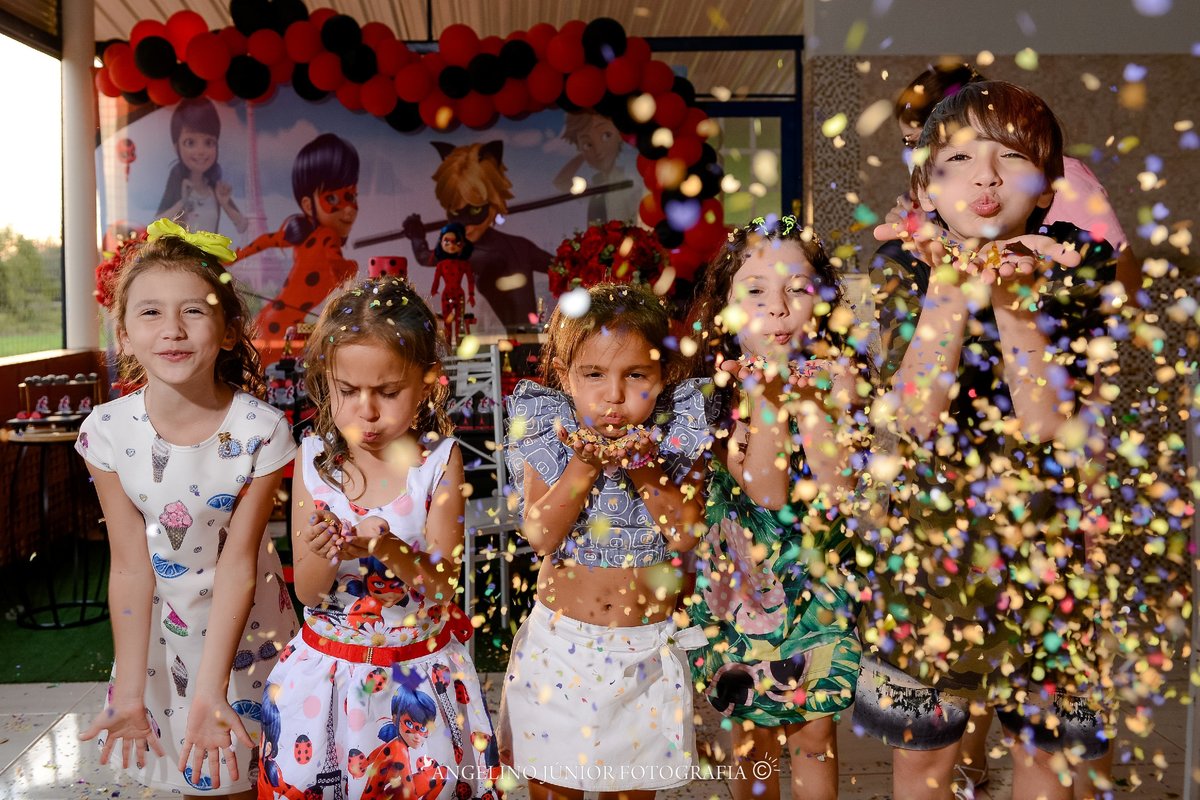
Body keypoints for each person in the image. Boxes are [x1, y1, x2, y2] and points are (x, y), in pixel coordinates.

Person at [857, 81, 1117, 800]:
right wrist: (950, 282)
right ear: (925, 186)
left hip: (1045, 544)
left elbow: (1045, 423)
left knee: (1045, 747)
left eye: (1012, 158)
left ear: (1047, 190)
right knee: (926, 752)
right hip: (932, 547)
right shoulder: (902, 265)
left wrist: (1012, 297)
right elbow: (915, 416)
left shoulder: (1074, 266)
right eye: (961, 159)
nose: (987, 177)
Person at [75, 218, 298, 797]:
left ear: (228, 331)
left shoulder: (261, 431)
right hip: (160, 641)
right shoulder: (106, 431)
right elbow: (129, 566)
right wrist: (130, 691)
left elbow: (239, 564)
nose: (172, 329)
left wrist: (211, 687)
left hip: (246, 635)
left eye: (194, 311)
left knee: (249, 781)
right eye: (150, 312)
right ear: (124, 334)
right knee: (193, 783)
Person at [258, 277, 500, 800]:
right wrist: (324, 551)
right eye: (347, 391)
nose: (366, 411)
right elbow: (310, 592)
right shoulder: (313, 460)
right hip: (330, 678)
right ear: (326, 381)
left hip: (416, 678)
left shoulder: (439, 461)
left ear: (427, 383)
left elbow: (441, 588)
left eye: (388, 393)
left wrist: (384, 548)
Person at [499, 282, 712, 799]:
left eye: (635, 375)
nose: (613, 395)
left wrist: (642, 465)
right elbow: (541, 535)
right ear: (566, 376)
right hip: (560, 653)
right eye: (593, 374)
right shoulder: (551, 428)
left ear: (663, 375)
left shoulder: (678, 431)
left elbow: (684, 533)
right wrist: (584, 464)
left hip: (645, 655)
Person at [686, 215, 865, 800]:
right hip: (744, 589)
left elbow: (837, 488)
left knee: (815, 733)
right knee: (753, 737)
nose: (779, 308)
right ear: (725, 308)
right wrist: (768, 398)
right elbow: (765, 490)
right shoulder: (717, 392)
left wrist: (812, 402)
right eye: (756, 291)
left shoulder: (841, 379)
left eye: (797, 288)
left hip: (816, 581)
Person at [890, 62, 1139, 304]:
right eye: (911, 143)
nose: (920, 153)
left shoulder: (1064, 181)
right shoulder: (931, 204)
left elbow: (1126, 283)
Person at [401, 140, 551, 331]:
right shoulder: (462, 249)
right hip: (498, 337)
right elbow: (426, 257)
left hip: (528, 336)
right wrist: (417, 236)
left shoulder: (520, 247)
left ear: (493, 205)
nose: (467, 227)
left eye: (475, 211)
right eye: (456, 213)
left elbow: (560, 268)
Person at [237, 133, 360, 364]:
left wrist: (235, 256)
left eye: (351, 196)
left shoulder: (304, 233)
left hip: (273, 322)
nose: (349, 209)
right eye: (332, 199)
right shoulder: (327, 237)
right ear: (307, 204)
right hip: (282, 331)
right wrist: (351, 267)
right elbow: (340, 268)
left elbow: (267, 240)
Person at [156, 98, 248, 237]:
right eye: (190, 142)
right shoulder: (179, 185)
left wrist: (225, 203)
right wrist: (182, 202)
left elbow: (242, 226)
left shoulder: (214, 188)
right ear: (176, 147)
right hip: (182, 251)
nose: (201, 151)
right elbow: (155, 227)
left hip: (209, 251)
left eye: (208, 142)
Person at [553, 110, 641, 227]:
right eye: (588, 144)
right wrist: (583, 154)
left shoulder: (628, 182)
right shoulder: (593, 189)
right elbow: (560, 182)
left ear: (619, 135)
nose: (598, 150)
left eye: (606, 135)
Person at [429, 221, 476, 342]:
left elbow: (470, 280)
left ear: (462, 244)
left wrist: (471, 295)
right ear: (441, 243)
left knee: (460, 321)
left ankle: (460, 345)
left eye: (456, 242)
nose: (451, 246)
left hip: (459, 294)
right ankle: (448, 346)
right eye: (447, 242)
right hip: (446, 295)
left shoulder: (464, 264)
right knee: (447, 322)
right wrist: (434, 290)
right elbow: (436, 280)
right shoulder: (441, 265)